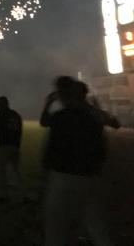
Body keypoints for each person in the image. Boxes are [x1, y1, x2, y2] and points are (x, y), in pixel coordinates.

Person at [41, 77, 117, 246]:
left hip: (63, 174)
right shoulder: (93, 115)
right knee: (94, 221)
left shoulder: (61, 116)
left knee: (56, 223)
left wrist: (48, 104)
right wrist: (95, 107)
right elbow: (115, 123)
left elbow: (44, 123)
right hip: (89, 173)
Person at [0, 96, 23, 201]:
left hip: (4, 145)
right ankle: (20, 194)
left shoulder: (1, 114)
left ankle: (4, 195)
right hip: (15, 145)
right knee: (16, 171)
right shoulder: (15, 114)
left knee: (2, 171)